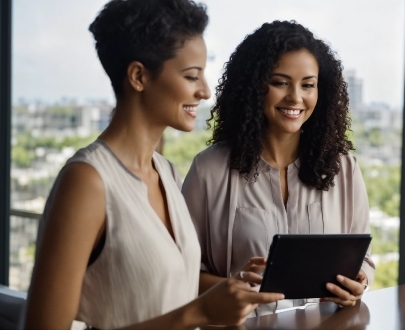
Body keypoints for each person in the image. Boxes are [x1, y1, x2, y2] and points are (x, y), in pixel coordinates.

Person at [24, 1, 283, 329]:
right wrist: (199, 314)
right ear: (138, 76)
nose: (204, 91)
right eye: (192, 76)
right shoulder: (87, 182)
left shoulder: (167, 173)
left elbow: (167, 288)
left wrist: (235, 288)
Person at [182, 20, 375, 316]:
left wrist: (357, 284)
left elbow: (363, 262)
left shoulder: (344, 170)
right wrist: (232, 288)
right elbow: (183, 274)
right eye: (280, 82)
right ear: (254, 86)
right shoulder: (209, 170)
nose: (295, 97)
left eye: (308, 85)